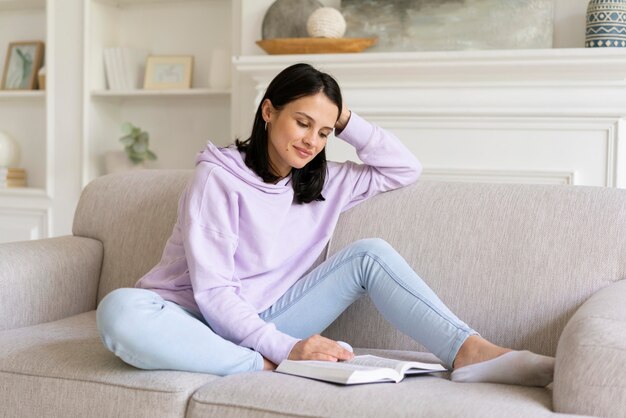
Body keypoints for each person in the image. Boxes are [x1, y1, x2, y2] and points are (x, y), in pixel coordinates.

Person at [96, 63, 554, 386]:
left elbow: (403, 169)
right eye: (302, 122)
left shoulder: (326, 181)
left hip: (267, 316)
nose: (312, 141)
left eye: (324, 132)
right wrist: (287, 350)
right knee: (119, 311)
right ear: (268, 111)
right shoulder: (218, 177)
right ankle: (256, 364)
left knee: (369, 254)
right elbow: (213, 294)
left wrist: (345, 117)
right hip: (187, 318)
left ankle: (467, 351)